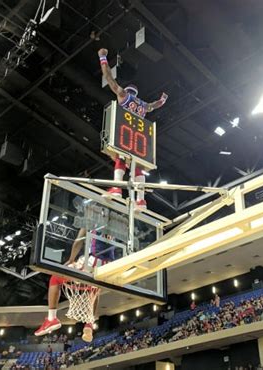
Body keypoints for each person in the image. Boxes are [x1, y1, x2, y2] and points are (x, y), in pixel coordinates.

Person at [98, 48, 168, 209]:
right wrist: (163, 99)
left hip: (125, 135)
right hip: (139, 141)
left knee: (120, 158)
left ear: (128, 91)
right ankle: (141, 200)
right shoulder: (143, 106)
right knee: (139, 166)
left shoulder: (123, 96)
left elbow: (109, 78)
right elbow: (155, 105)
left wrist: (102, 58)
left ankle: (117, 188)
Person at [34, 224, 114, 342]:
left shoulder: (90, 219)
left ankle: (51, 319)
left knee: (55, 278)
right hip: (110, 266)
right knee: (95, 287)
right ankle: (89, 323)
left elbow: (78, 241)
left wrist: (71, 260)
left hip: (94, 261)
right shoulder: (114, 221)